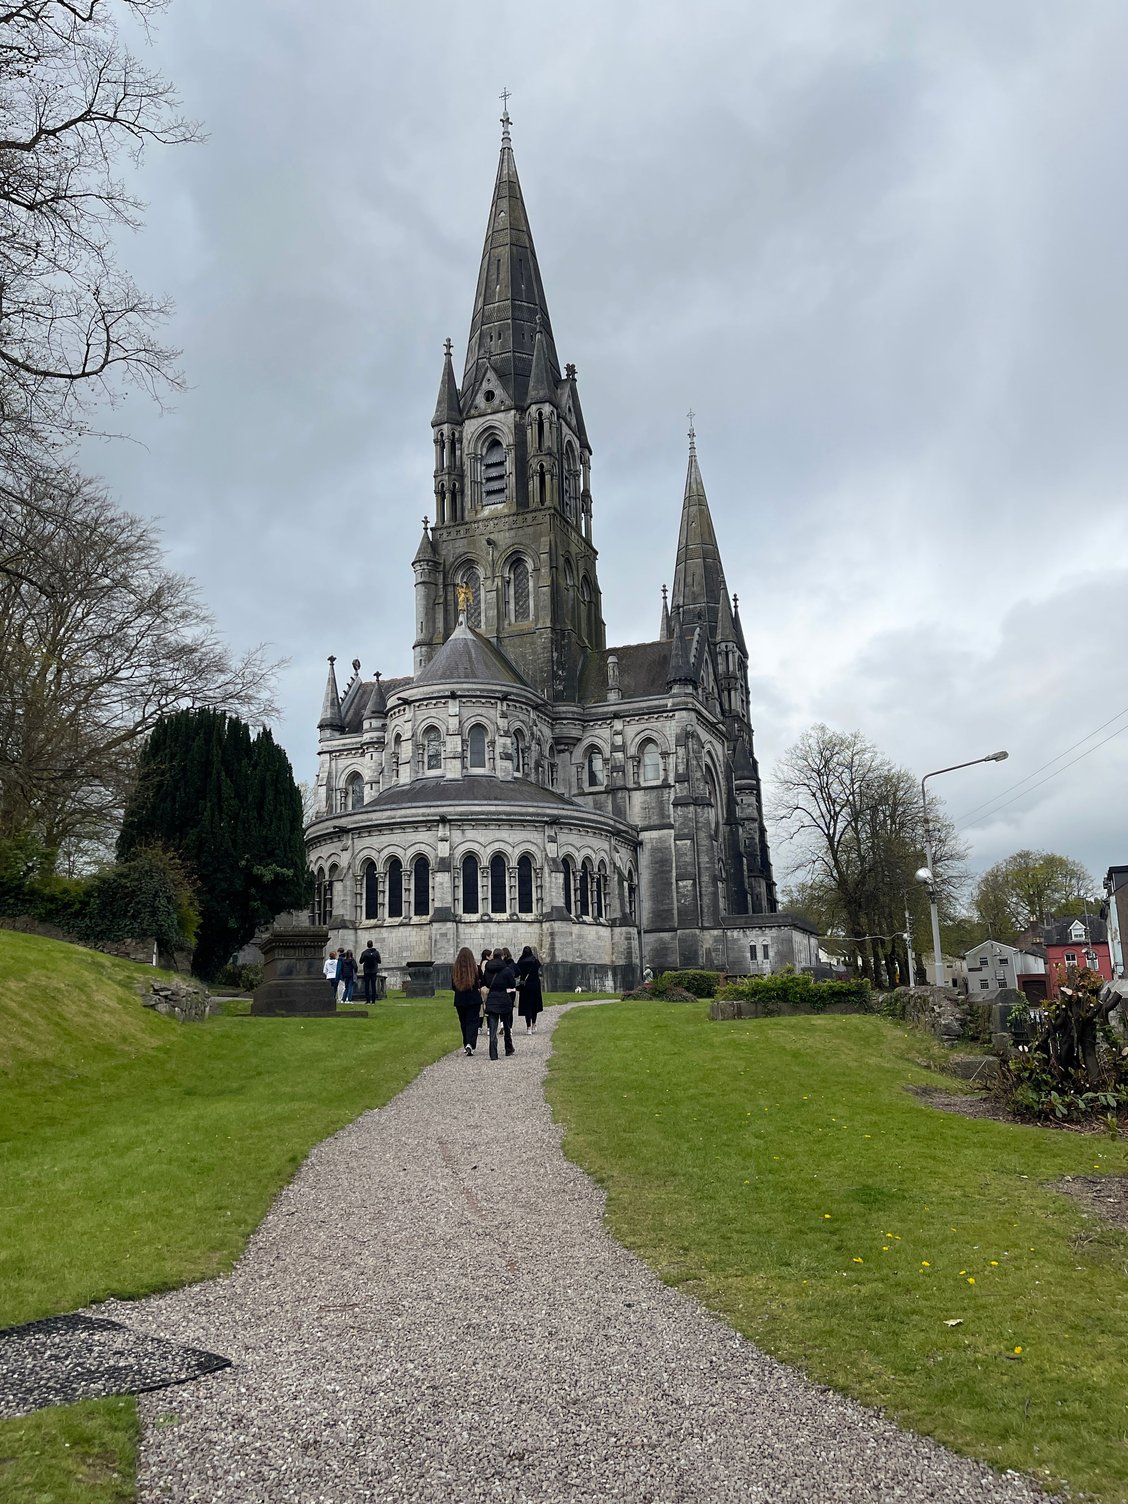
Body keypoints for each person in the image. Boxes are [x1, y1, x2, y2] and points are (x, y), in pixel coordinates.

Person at [482, 947, 517, 1060]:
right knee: (506, 1026)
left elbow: (485, 983)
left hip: (492, 998)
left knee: (492, 1028)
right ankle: (508, 1048)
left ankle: (493, 1053)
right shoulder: (506, 969)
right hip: (503, 998)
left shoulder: (488, 969)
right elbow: (512, 984)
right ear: (502, 956)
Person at [452, 946, 481, 1056]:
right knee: (473, 1022)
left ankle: (466, 1043)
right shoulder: (475, 968)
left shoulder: (455, 969)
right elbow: (479, 983)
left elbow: (453, 986)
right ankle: (470, 1043)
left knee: (463, 1022)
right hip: (473, 998)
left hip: (460, 999)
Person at [515, 945, 543, 1033]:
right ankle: (534, 1024)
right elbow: (539, 967)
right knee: (534, 1005)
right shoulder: (535, 961)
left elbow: (517, 972)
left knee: (527, 1006)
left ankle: (528, 1027)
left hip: (525, 986)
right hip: (535, 985)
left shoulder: (520, 961)